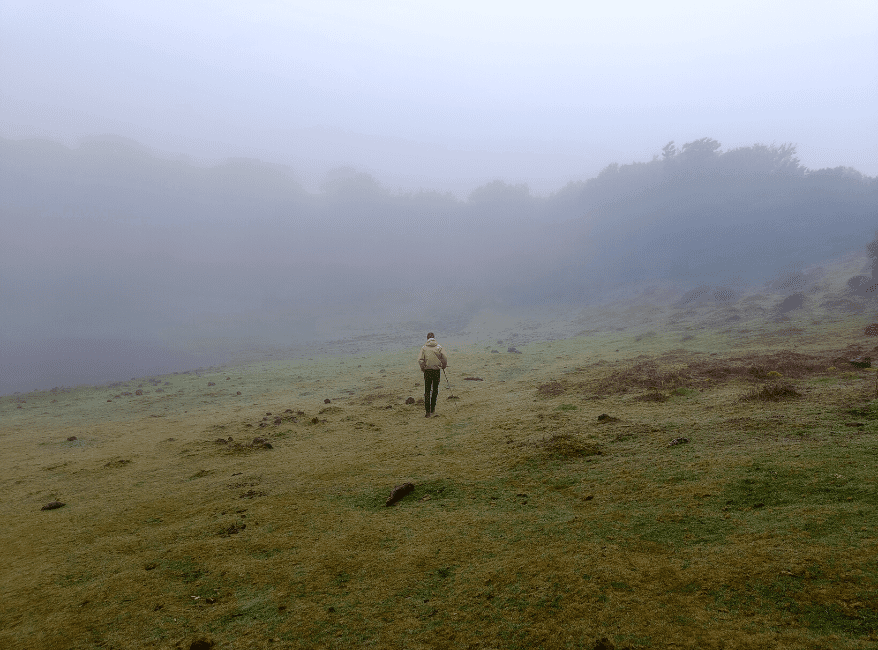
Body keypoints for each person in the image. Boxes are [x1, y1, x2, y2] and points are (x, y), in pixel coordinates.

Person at [418, 332, 448, 417]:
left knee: (427, 391)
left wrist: (423, 368)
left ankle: (427, 412)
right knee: (435, 390)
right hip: (436, 371)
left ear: (427, 338)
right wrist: (443, 366)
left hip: (427, 371)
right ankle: (433, 409)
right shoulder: (439, 347)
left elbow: (420, 360)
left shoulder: (424, 348)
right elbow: (444, 357)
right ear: (434, 338)